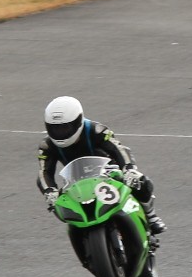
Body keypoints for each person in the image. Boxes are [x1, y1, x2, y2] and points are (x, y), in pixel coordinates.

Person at [38, 97, 167, 234]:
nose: (60, 133)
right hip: (76, 181)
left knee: (140, 181)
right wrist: (50, 191)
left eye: (65, 128)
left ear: (78, 121)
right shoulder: (47, 146)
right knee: (62, 207)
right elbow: (44, 172)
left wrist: (129, 169)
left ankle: (151, 216)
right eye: (55, 128)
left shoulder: (96, 130)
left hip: (108, 172)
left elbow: (119, 149)